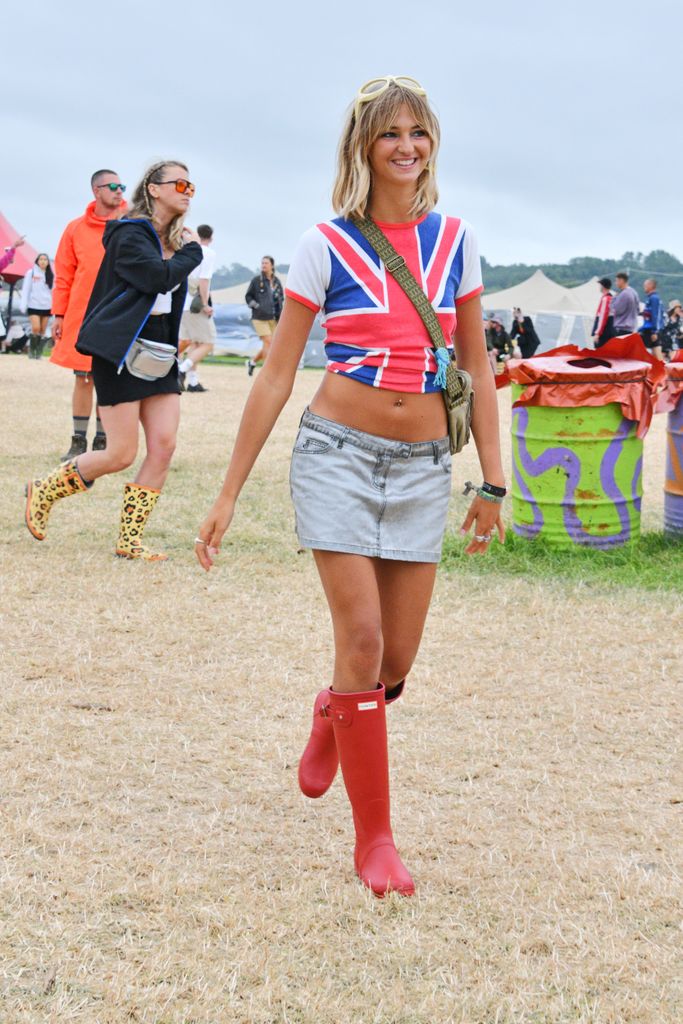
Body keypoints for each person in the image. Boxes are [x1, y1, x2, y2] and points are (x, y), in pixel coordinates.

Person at [194, 77, 506, 897]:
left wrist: (493, 484)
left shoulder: (457, 242)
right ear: (362, 148)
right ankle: (376, 845)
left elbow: (476, 365)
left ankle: (335, 710)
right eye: (388, 133)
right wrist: (227, 493)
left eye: (418, 132)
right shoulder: (322, 245)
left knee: (393, 663)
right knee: (362, 639)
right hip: (335, 452)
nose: (406, 146)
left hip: (421, 467)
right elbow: (272, 377)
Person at [25, 161, 203, 561]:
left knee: (163, 445)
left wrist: (184, 252)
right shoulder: (128, 233)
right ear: (154, 189)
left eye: (192, 186)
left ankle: (129, 541)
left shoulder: (174, 240)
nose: (187, 191)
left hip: (159, 351)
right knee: (120, 454)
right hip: (122, 350)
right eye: (179, 183)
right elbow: (157, 278)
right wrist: (192, 254)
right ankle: (45, 490)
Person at [50, 169, 127, 460]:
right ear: (97, 191)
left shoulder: (130, 225)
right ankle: (79, 441)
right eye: (113, 186)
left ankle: (103, 440)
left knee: (109, 379)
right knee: (83, 378)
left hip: (118, 313)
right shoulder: (75, 228)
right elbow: (64, 275)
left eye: (122, 186)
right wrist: (58, 314)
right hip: (83, 315)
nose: (120, 191)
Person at [177, 224, 217, 392]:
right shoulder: (208, 253)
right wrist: (205, 304)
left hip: (182, 302)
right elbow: (204, 280)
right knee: (208, 342)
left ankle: (193, 382)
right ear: (211, 238)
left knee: (195, 342)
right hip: (195, 303)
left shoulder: (187, 249)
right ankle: (180, 370)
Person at [245, 256, 284, 375]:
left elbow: (281, 299)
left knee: (272, 344)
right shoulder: (256, 280)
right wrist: (257, 306)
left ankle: (252, 362)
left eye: (266, 263)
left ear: (272, 265)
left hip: (274, 317)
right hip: (259, 317)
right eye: (262, 263)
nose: (263, 265)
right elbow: (248, 296)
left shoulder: (277, 281)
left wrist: (281, 315)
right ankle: (268, 371)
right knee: (268, 342)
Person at [20, 253, 53, 358]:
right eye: (41, 259)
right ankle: (31, 349)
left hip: (47, 306)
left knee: (43, 330)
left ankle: (38, 352)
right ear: (37, 261)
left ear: (48, 262)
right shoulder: (31, 273)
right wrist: (23, 304)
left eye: (45, 259)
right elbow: (26, 289)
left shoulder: (51, 275)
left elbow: (54, 291)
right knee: (35, 328)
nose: (43, 261)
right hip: (33, 305)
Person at [640, 278, 664, 359]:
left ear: (651, 286)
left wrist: (654, 331)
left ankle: (661, 369)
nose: (644, 287)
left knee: (652, 351)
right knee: (655, 351)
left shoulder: (654, 298)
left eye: (645, 285)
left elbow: (655, 315)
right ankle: (658, 369)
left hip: (651, 330)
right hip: (647, 328)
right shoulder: (650, 298)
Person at [611, 271, 640, 336]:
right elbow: (638, 310)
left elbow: (616, 310)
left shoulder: (624, 294)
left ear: (621, 280)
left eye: (616, 281)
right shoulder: (634, 292)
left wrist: (614, 298)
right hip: (632, 328)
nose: (616, 283)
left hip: (622, 328)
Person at [591, 277, 614, 349]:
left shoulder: (606, 299)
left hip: (604, 332)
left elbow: (603, 318)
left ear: (603, 286)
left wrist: (597, 333)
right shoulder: (611, 298)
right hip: (610, 331)